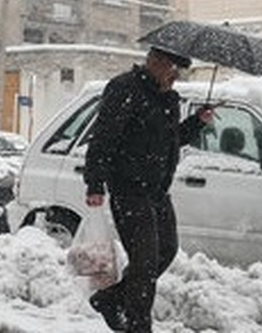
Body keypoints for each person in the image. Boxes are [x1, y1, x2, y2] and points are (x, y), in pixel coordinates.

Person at [83, 46, 212, 333]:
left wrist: (196, 123)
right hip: (129, 188)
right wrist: (95, 182)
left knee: (166, 250)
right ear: (156, 62)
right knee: (144, 263)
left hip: (157, 191)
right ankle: (139, 326)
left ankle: (110, 299)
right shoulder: (123, 89)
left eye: (180, 71)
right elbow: (103, 138)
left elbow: (170, 140)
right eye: (173, 69)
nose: (176, 77)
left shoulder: (167, 98)